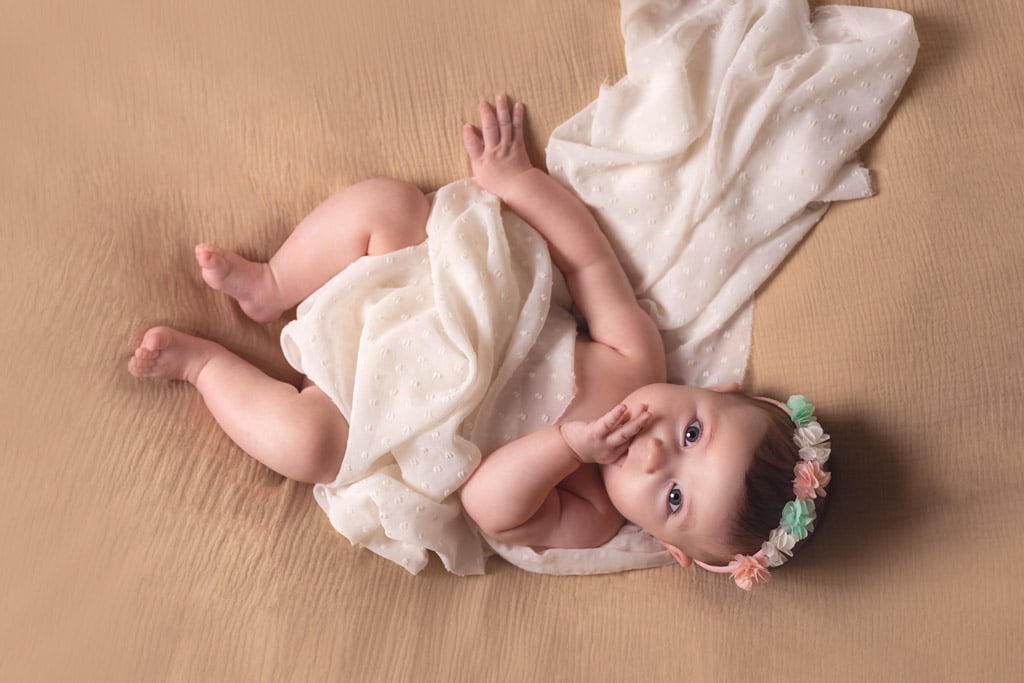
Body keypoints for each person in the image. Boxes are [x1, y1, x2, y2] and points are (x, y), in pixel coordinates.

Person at [129, 95, 829, 589]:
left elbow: (489, 506)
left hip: (383, 421)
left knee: (308, 447)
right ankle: (274, 282)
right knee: (392, 206)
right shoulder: (636, 359)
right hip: (425, 305)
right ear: (718, 388)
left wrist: (568, 447)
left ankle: (204, 367)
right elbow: (587, 261)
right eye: (693, 432)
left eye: (672, 499)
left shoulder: (590, 515)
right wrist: (515, 181)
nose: (650, 454)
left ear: (668, 546)